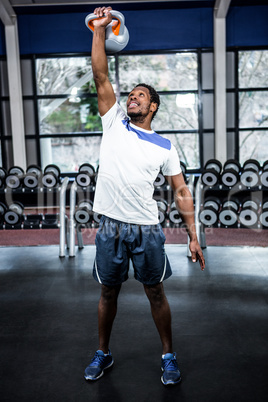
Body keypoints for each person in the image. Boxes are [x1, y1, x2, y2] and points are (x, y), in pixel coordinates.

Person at [84, 6, 205, 386]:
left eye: (140, 96)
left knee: (155, 292)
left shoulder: (165, 145)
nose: (132, 98)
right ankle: (103, 352)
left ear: (153, 106)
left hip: (147, 229)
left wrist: (193, 235)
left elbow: (181, 191)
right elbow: (100, 73)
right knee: (108, 292)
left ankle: (168, 356)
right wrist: (100, 30)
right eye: (131, 95)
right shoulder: (114, 122)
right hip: (110, 226)